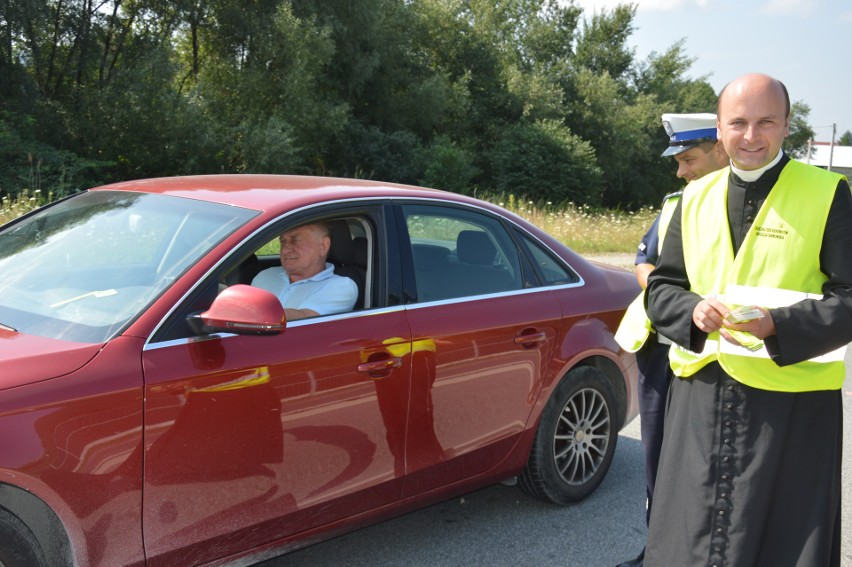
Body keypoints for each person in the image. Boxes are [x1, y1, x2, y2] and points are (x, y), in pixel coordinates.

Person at [644, 73, 852, 566]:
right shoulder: (692, 198)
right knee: (689, 545)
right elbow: (662, 289)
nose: (751, 135)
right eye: (738, 122)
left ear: (786, 126)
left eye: (766, 122)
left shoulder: (829, 193)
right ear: (719, 128)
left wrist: (778, 323)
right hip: (702, 402)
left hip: (791, 411)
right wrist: (691, 310)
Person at [613, 113, 728, 567]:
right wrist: (673, 296)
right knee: (657, 459)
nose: (681, 170)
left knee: (707, 465)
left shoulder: (756, 209)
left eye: (688, 159)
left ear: (721, 150)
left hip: (715, 355)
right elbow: (644, 263)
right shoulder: (677, 202)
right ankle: (656, 553)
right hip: (660, 350)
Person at [251, 222, 358, 320]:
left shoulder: (341, 286)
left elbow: (305, 319)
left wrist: (244, 312)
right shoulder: (265, 275)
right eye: (283, 241)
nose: (285, 249)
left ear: (323, 246)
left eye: (296, 240)